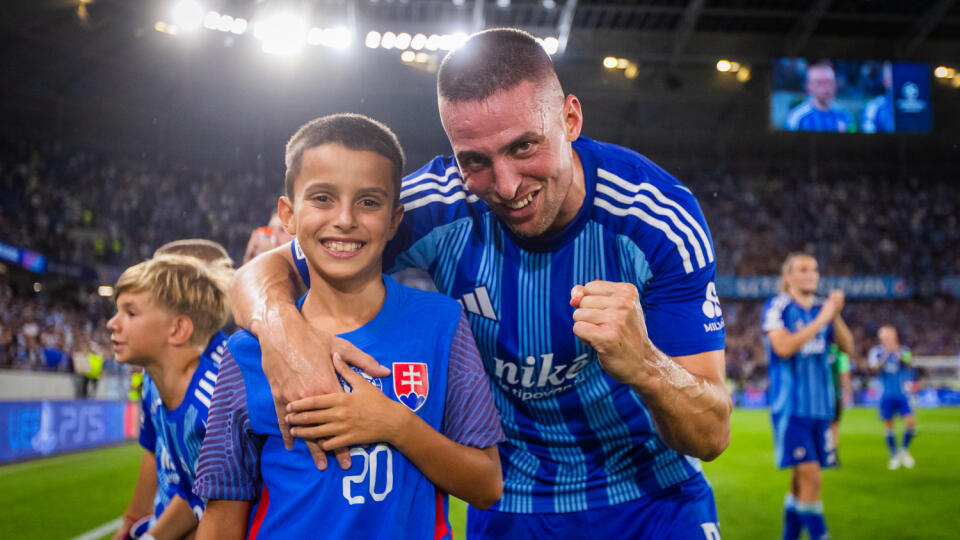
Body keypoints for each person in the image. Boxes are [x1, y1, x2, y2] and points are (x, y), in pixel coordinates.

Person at [230, 29, 730, 539]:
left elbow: (711, 433)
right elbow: (264, 271)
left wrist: (645, 363)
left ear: (571, 119)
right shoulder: (436, 206)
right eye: (476, 160)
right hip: (512, 502)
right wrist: (282, 331)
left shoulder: (657, 219)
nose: (508, 185)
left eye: (524, 146)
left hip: (652, 497)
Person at [193, 114, 503, 539]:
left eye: (369, 202)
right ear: (289, 214)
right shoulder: (248, 351)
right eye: (322, 198)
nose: (345, 219)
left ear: (395, 220)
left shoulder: (442, 323)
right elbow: (223, 513)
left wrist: (395, 424)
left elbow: (486, 485)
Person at [108, 255, 231, 540]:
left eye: (131, 313)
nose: (112, 323)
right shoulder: (157, 381)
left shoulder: (214, 405)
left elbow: (231, 517)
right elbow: (195, 497)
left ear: (178, 329)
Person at [762, 253, 854, 540]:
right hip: (792, 409)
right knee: (812, 479)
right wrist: (822, 319)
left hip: (822, 410)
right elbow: (783, 347)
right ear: (788, 277)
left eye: (814, 268)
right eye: (802, 269)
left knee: (799, 482)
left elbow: (847, 349)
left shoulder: (822, 310)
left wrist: (834, 316)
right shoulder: (778, 306)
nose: (811, 274)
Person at [867, 325, 916, 470]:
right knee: (889, 426)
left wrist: (896, 353)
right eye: (884, 336)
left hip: (902, 394)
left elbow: (909, 365)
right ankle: (894, 455)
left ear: (895, 336)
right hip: (885, 395)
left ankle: (904, 451)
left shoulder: (904, 350)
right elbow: (874, 369)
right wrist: (886, 354)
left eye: (889, 336)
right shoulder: (876, 352)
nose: (886, 339)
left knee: (910, 423)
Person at [786, 61, 855, 132]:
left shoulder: (844, 115)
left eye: (829, 82)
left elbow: (853, 133)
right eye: (820, 83)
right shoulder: (798, 117)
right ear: (809, 85)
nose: (826, 88)